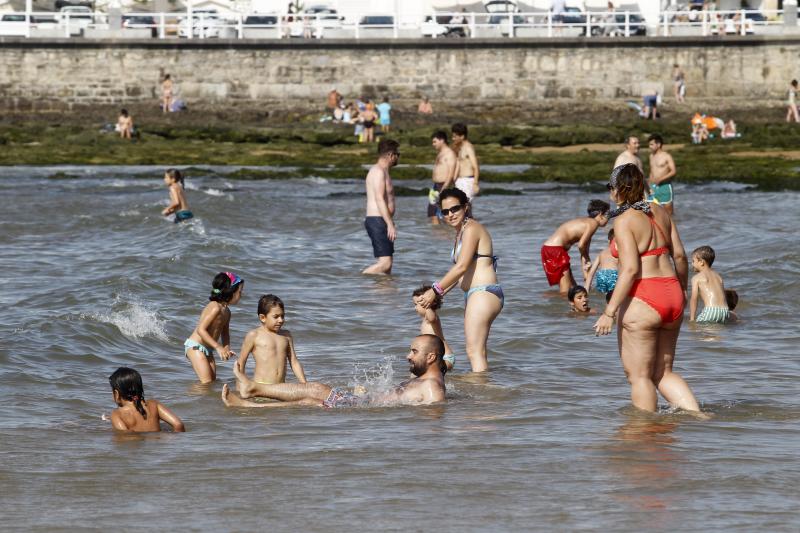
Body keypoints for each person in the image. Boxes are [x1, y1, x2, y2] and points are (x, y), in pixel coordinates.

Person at [594, 164, 702, 415]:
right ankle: (700, 417)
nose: (610, 194)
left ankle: (645, 437)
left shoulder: (624, 221)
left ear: (619, 190)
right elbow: (680, 256)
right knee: (663, 373)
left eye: (611, 188)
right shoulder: (661, 212)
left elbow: (630, 269)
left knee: (639, 376)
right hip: (673, 294)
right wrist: (683, 292)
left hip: (644, 297)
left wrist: (609, 312)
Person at [221, 335, 446, 408]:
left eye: (414, 351)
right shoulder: (424, 380)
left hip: (358, 408)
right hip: (360, 403)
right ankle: (249, 402)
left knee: (314, 391)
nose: (408, 355)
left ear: (431, 357)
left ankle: (252, 391)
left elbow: (436, 412)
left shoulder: (432, 386)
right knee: (309, 399)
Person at [417, 189, 502, 373]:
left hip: (483, 292)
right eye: (445, 211)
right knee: (478, 352)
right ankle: (485, 394)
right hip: (476, 294)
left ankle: (482, 395)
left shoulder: (472, 228)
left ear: (466, 207)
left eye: (455, 209)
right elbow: (460, 275)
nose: (450, 214)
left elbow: (461, 266)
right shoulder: (460, 233)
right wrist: (437, 296)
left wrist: (435, 290)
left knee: (474, 352)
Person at [541, 200, 611, 295]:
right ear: (600, 214)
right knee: (565, 291)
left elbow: (584, 252)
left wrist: (586, 275)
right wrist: (586, 257)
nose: (609, 218)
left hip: (551, 250)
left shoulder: (588, 224)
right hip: (555, 251)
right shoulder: (593, 223)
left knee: (573, 289)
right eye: (608, 215)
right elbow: (581, 245)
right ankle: (547, 299)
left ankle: (565, 304)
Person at [184, 272, 244, 383]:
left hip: (208, 349)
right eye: (240, 291)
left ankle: (194, 399)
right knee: (206, 382)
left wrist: (226, 348)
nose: (241, 294)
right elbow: (201, 330)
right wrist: (218, 347)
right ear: (230, 291)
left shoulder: (227, 312)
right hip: (195, 346)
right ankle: (185, 398)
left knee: (211, 382)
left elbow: (225, 333)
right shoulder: (215, 307)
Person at [238, 294, 307, 385]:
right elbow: (241, 362)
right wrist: (240, 385)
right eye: (276, 317)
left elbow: (294, 362)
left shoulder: (286, 335)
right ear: (263, 318)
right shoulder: (254, 335)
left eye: (282, 316)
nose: (281, 320)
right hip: (261, 386)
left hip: (280, 387)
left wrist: (304, 383)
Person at [107, 368, 185, 432]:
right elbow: (178, 424)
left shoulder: (117, 414)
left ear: (116, 394)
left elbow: (125, 436)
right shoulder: (154, 404)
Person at [362, 139, 399, 275]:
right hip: (377, 220)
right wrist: (389, 223)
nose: (397, 158)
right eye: (397, 154)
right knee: (385, 264)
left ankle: (384, 295)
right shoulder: (378, 172)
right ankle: (359, 281)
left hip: (382, 220)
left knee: (387, 269)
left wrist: (389, 222)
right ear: (390, 155)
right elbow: (379, 198)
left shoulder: (383, 171)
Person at [413, 285, 455, 371]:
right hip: (437, 357)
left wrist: (427, 306)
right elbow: (440, 293)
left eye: (417, 304)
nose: (415, 307)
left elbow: (432, 318)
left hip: (444, 357)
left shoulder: (431, 317)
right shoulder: (426, 319)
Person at [689, 246, 731, 323]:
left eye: (693, 261)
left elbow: (694, 299)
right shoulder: (718, 276)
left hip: (711, 310)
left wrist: (692, 318)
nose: (692, 264)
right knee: (715, 333)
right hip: (725, 310)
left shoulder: (697, 278)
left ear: (701, 262)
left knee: (698, 328)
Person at [429, 130, 457, 224]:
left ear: (442, 140)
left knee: (447, 215)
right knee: (433, 214)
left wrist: (445, 187)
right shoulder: (440, 153)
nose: (433, 144)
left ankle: (448, 236)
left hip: (445, 185)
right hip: (435, 186)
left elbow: (451, 172)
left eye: (435, 141)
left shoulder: (450, 153)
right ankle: (436, 237)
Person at [647, 134, 677, 216]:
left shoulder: (667, 156)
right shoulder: (651, 156)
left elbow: (673, 171)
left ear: (659, 144)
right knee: (651, 213)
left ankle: (670, 228)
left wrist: (661, 179)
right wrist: (648, 185)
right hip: (653, 187)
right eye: (649, 144)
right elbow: (651, 171)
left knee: (669, 214)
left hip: (665, 187)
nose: (650, 147)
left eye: (652, 144)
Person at [586, 228, 618, 303]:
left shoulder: (602, 253)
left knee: (604, 298)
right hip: (613, 275)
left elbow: (591, 272)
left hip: (601, 276)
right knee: (613, 298)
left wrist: (586, 288)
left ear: (608, 241)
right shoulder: (619, 253)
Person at [451, 123, 480, 201]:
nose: (453, 139)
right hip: (459, 181)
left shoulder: (468, 147)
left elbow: (475, 166)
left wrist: (475, 183)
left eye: (455, 136)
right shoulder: (458, 147)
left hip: (467, 181)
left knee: (465, 207)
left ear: (462, 136)